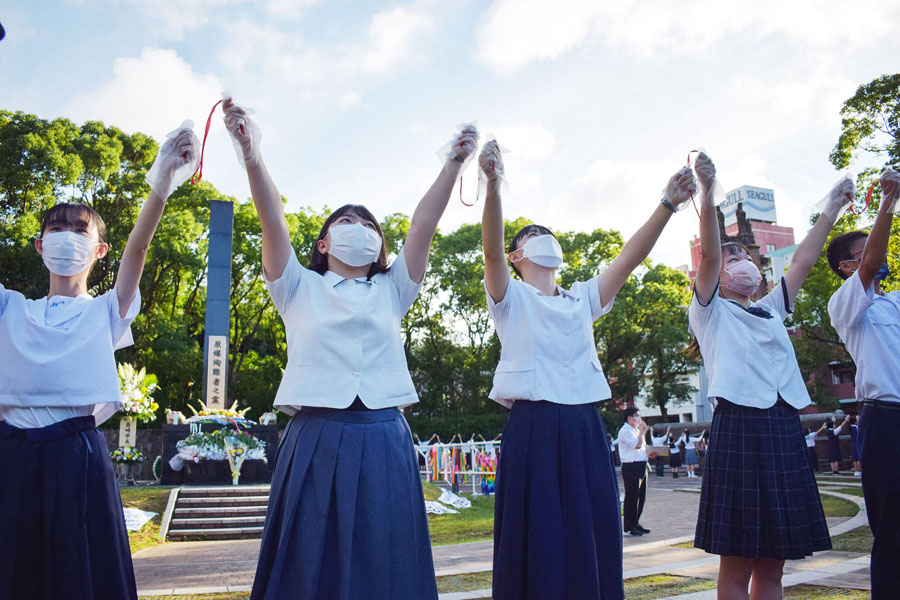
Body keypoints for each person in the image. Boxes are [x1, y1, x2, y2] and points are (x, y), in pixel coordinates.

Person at [222, 97, 478, 600]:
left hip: (385, 433)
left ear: (382, 246)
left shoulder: (394, 288)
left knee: (388, 557)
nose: (359, 229)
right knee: (310, 560)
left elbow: (424, 223)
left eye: (370, 226)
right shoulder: (296, 286)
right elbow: (271, 217)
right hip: (316, 433)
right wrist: (251, 153)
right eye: (345, 222)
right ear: (321, 242)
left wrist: (454, 162)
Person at [481, 139, 697, 600]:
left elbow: (629, 258)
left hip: (583, 423)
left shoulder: (583, 298)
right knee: (536, 535)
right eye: (530, 235)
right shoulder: (509, 297)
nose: (544, 237)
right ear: (518, 256)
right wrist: (494, 185)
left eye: (547, 232)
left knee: (591, 529)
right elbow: (491, 253)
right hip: (532, 424)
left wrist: (668, 204)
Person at [0, 122, 199, 600]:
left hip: (75, 453)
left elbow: (139, 249)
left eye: (79, 230)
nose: (67, 237)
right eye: (56, 229)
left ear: (99, 249)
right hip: (11, 453)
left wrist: (162, 180)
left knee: (79, 573)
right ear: (39, 244)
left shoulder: (105, 311)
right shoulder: (11, 307)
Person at [689, 152, 845, 599]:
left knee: (774, 563)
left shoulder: (770, 309)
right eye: (729, 258)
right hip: (739, 426)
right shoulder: (710, 312)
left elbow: (803, 263)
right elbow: (710, 256)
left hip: (781, 424)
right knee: (737, 562)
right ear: (716, 272)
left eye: (745, 256)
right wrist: (706, 190)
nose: (741, 263)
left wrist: (830, 208)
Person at [826, 166, 900, 600]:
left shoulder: (894, 301)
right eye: (867, 249)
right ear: (847, 266)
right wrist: (888, 200)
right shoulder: (846, 302)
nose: (880, 253)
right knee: (891, 531)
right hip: (885, 422)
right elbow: (874, 260)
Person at [618, 407, 650, 538]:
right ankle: (629, 525)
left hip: (641, 465)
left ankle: (636, 522)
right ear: (629, 418)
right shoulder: (625, 431)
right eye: (636, 415)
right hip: (631, 467)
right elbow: (636, 445)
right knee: (632, 497)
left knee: (640, 497)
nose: (639, 418)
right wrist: (642, 432)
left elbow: (642, 448)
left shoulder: (636, 430)